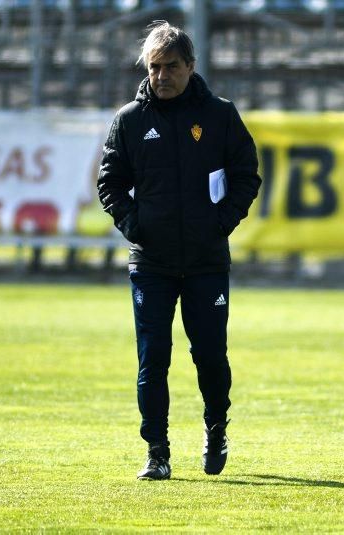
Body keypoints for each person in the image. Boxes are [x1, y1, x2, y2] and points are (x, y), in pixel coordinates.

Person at [97, 21, 261, 480]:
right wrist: (134, 225)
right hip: (152, 262)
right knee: (154, 356)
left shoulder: (220, 115)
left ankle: (215, 427)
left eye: (171, 66)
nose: (162, 75)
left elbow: (247, 175)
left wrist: (221, 223)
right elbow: (109, 183)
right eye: (154, 67)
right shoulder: (130, 120)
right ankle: (157, 451)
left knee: (210, 354)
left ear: (190, 66)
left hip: (207, 261)